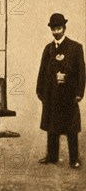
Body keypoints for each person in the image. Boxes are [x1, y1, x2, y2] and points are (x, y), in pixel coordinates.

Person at [36, 13, 85, 169]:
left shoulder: (76, 48)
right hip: (51, 95)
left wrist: (79, 93)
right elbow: (42, 71)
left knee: (71, 129)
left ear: (64, 28)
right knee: (52, 127)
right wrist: (40, 91)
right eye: (53, 29)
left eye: (58, 28)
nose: (56, 32)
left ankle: (74, 159)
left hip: (69, 95)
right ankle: (52, 156)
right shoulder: (48, 49)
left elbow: (82, 73)